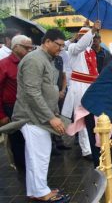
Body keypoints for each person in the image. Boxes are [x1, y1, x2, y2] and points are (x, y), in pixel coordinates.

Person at [0, 29, 70, 202]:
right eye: (58, 45)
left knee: (35, 156)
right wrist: (51, 117)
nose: (60, 49)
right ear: (47, 42)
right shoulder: (34, 59)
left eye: (62, 46)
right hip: (33, 118)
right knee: (40, 156)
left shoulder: (45, 59)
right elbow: (32, 92)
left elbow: (45, 88)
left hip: (39, 117)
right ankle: (41, 192)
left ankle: (35, 190)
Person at [62, 20, 101, 160]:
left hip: (91, 87)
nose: (90, 40)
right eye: (86, 37)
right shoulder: (73, 48)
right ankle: (86, 150)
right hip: (79, 87)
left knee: (93, 117)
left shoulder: (91, 51)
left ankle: (94, 144)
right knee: (82, 117)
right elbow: (81, 45)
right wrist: (92, 30)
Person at [0, 35, 33, 175]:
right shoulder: (4, 64)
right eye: (26, 47)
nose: (29, 50)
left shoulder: (30, 62)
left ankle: (31, 168)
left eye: (31, 47)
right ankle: (24, 171)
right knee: (17, 141)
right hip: (11, 108)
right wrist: (1, 115)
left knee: (30, 139)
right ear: (16, 47)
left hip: (30, 107)